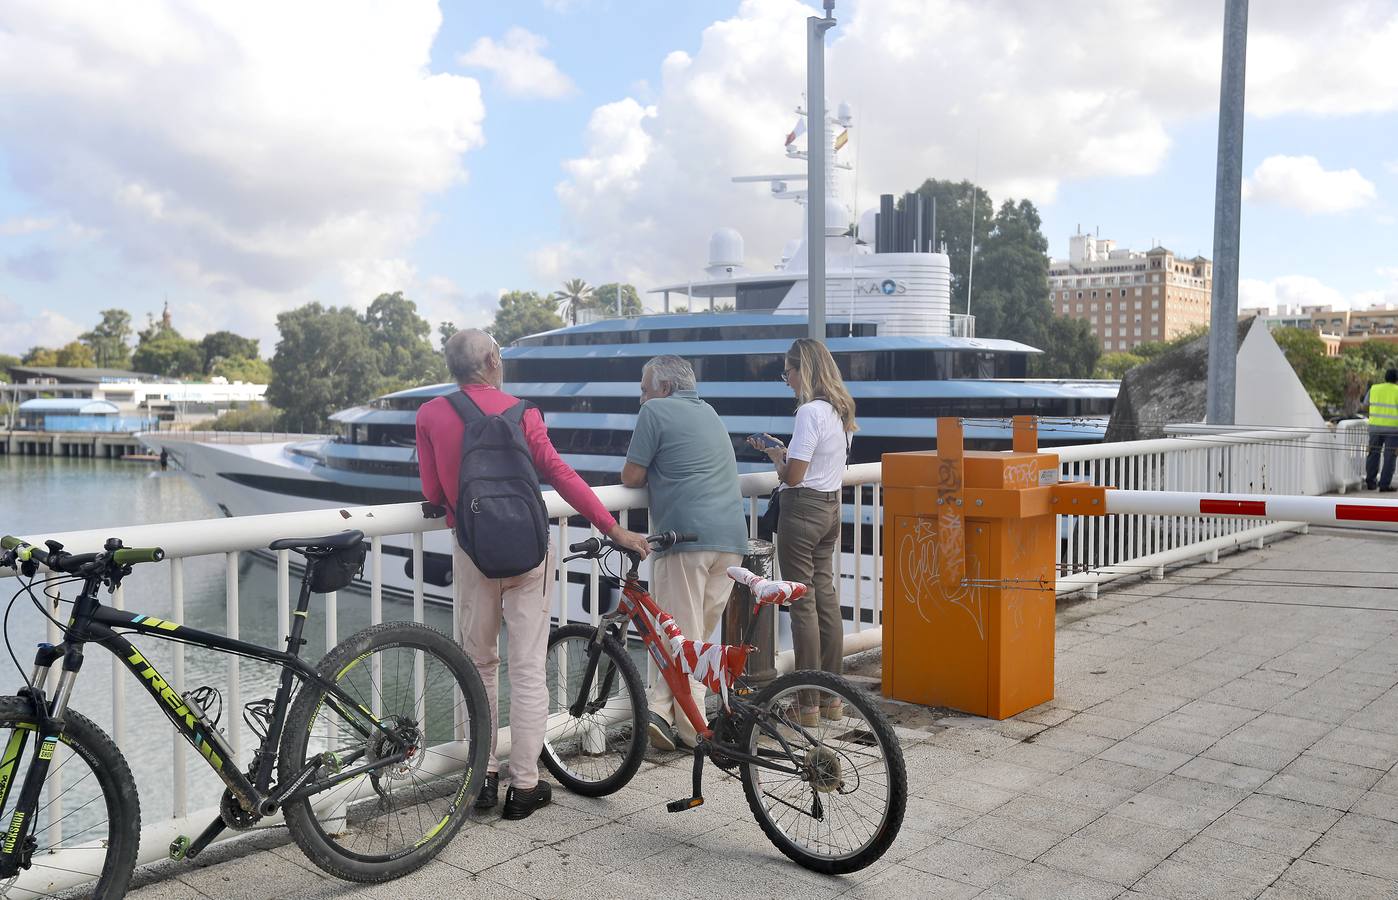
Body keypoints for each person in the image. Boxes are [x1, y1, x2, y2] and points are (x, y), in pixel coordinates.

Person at [417, 329, 650, 820]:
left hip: (473, 553)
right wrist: (612, 529)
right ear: (490, 361)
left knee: (478, 664)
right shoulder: (524, 411)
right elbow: (560, 474)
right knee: (526, 670)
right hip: (529, 553)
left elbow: (435, 493)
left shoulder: (432, 414)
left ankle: (481, 781)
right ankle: (525, 787)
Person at [621, 355, 748, 751]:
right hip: (731, 542)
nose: (641, 398)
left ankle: (694, 731)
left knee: (677, 637)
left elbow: (631, 476)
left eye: (644, 388)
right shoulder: (710, 412)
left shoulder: (655, 411)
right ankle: (661, 712)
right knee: (691, 639)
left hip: (685, 540)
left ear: (664, 388)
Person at [748, 338, 857, 726]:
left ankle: (807, 704)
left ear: (802, 370)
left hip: (803, 509)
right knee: (825, 596)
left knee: (802, 602)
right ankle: (833, 699)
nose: (786, 380)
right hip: (830, 508)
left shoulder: (809, 412)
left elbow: (794, 476)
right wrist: (787, 454)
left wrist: (778, 456)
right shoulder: (841, 410)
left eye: (787, 372)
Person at [1362, 367, 1398, 492]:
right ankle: (1384, 485)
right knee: (1389, 457)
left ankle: (1371, 483)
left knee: (1373, 454)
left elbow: (1365, 405)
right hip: (1393, 430)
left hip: (1374, 428)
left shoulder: (1374, 389)